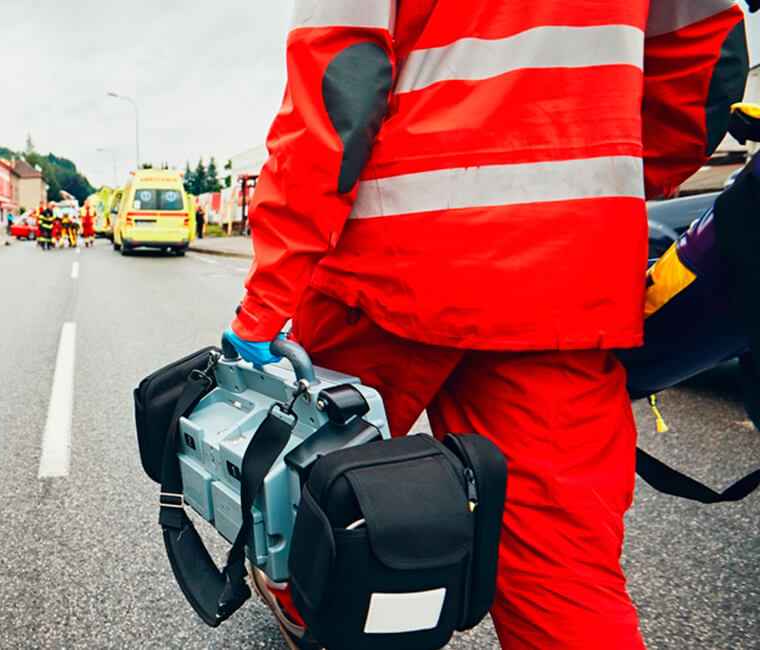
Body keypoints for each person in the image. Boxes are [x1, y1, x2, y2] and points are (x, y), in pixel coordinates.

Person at [224, 2, 748, 649]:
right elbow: (706, 67)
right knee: (563, 578)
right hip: (561, 282)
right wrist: (590, 195)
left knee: (312, 495)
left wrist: (267, 296)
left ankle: (326, 611)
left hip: (385, 268)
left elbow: (338, 88)